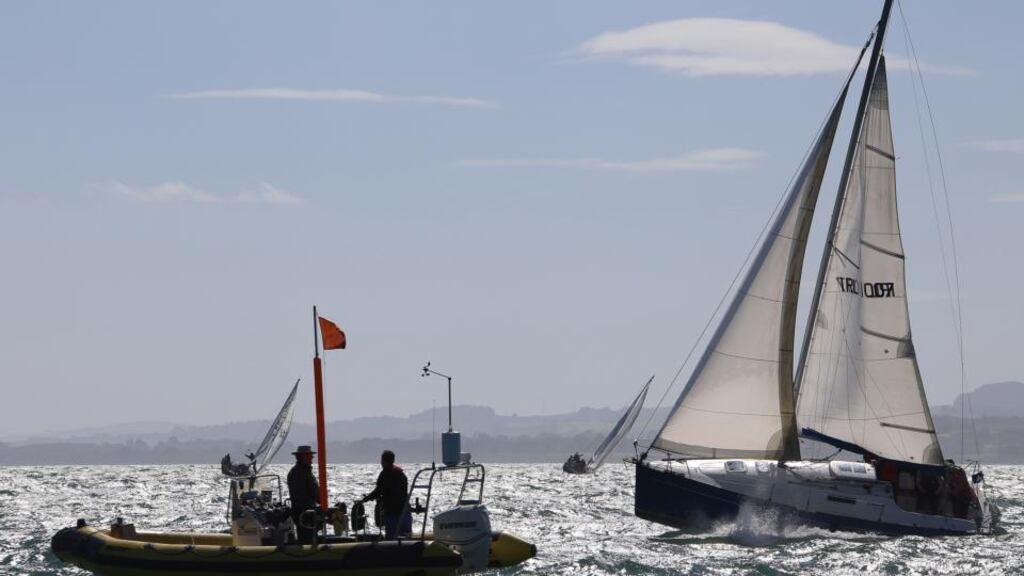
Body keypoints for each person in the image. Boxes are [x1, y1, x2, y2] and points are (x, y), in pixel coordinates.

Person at [361, 450, 412, 539]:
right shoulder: (401, 474)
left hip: (393, 512)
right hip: (405, 511)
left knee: (391, 538)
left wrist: (366, 499)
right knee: (406, 536)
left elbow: (378, 491)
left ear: (383, 461)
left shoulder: (385, 474)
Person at [287, 445, 320, 544]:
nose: (312, 458)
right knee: (306, 538)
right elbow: (301, 495)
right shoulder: (297, 473)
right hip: (303, 512)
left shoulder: (306, 471)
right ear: (303, 457)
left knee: (311, 537)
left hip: (308, 511)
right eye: (309, 455)